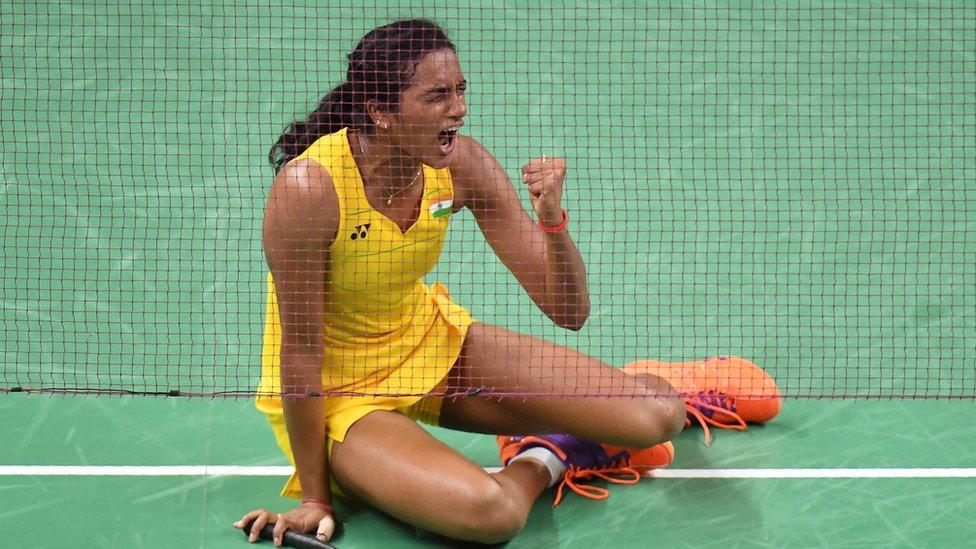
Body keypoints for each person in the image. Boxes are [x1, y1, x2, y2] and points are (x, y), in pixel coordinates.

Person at [234, 19, 781, 545]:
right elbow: (301, 350)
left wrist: (551, 221)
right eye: (436, 96)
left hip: (429, 345)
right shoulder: (309, 188)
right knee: (491, 513)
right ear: (381, 112)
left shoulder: (461, 165)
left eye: (461, 89)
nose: (460, 110)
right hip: (338, 393)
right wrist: (316, 498)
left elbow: (568, 310)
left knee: (657, 417)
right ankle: (547, 455)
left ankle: (648, 379)